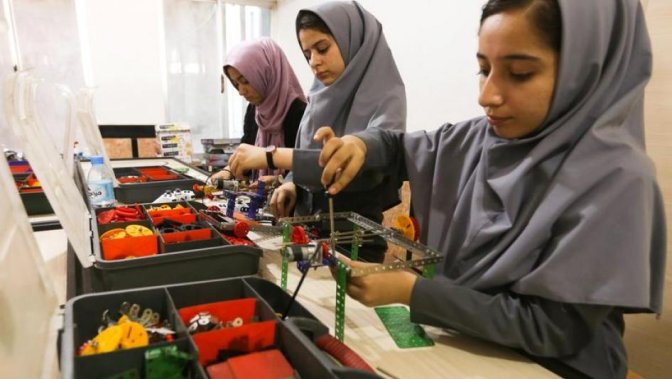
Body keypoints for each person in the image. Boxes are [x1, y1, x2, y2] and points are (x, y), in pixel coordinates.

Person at [287, 0, 667, 378]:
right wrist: (360, 144)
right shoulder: (485, 138)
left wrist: (411, 292)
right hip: (473, 346)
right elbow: (398, 147)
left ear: (586, 69)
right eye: (483, 70)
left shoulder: (618, 179)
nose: (487, 95)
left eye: (519, 73)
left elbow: (556, 330)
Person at [228, 1, 407, 262]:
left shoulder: (387, 101)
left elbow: (348, 162)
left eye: (322, 49)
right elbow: (308, 155)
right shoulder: (320, 97)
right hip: (309, 233)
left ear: (353, 41)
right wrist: (291, 184)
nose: (314, 62)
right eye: (307, 53)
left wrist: (270, 156)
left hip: (354, 245)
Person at [212, 37, 306, 184]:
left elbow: (307, 167)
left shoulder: (299, 113)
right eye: (236, 84)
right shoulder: (254, 110)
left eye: (245, 81)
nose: (241, 91)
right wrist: (229, 170)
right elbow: (246, 152)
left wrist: (280, 180)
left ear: (267, 73)